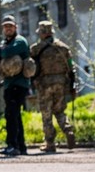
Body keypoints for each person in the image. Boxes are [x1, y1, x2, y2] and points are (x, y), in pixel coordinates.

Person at [30, 20, 76, 152]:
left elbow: (30, 67)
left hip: (44, 85)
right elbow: (71, 68)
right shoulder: (64, 48)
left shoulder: (35, 49)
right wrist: (72, 86)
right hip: (61, 84)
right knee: (59, 111)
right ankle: (68, 129)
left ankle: (50, 143)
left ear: (42, 33)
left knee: (47, 114)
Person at [0, 15, 30, 156]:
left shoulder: (20, 41)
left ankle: (12, 145)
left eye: (10, 26)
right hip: (9, 84)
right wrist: (1, 49)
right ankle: (21, 146)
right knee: (15, 115)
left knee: (11, 114)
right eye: (6, 26)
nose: (8, 28)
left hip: (18, 84)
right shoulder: (5, 43)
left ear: (15, 27)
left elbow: (6, 52)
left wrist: (2, 49)